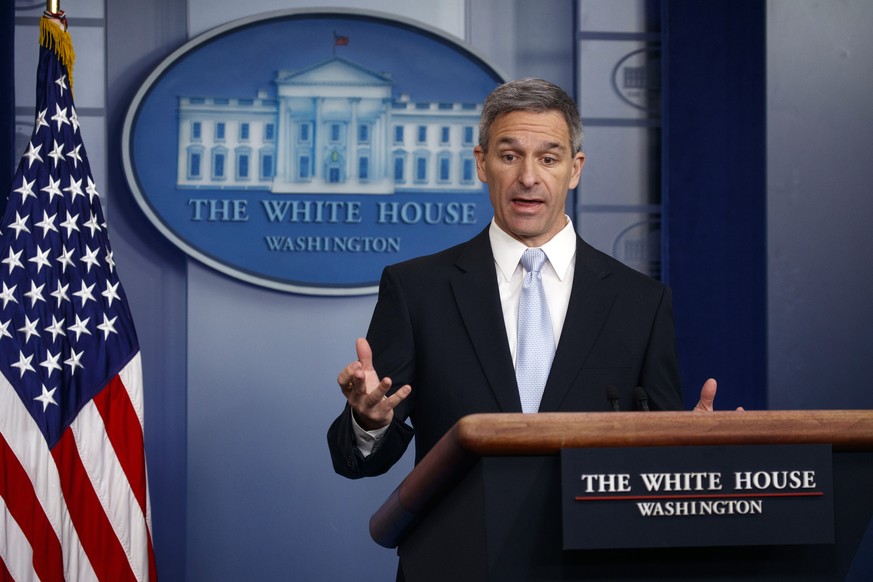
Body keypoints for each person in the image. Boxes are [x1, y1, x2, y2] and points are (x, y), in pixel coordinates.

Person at [328, 78, 720, 479]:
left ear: (575, 169)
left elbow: (660, 459)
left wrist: (694, 445)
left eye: (549, 159)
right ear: (482, 163)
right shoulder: (416, 290)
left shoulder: (641, 302)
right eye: (510, 156)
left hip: (592, 537)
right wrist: (369, 421)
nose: (529, 177)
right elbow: (356, 460)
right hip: (463, 539)